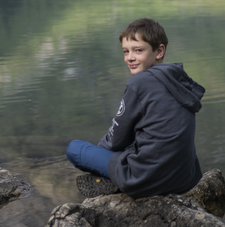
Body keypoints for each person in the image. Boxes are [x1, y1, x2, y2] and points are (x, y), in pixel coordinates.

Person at [66, 17, 205, 198]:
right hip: (185, 179)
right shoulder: (178, 81)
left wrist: (101, 155)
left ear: (159, 51)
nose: (130, 57)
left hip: (144, 179)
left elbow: (116, 139)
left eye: (138, 50)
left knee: (75, 149)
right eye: (126, 51)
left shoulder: (139, 83)